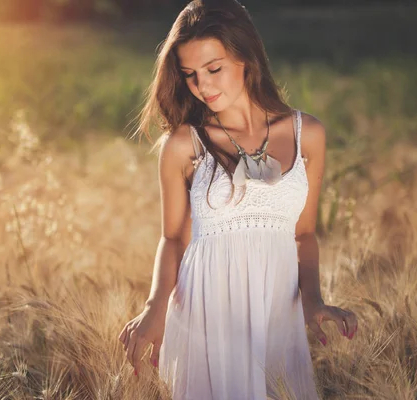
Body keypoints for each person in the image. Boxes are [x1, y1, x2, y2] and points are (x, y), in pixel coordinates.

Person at [118, 0, 358, 398]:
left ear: (246, 57)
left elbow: (304, 235)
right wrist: (155, 307)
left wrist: (313, 302)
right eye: (190, 75)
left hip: (276, 313)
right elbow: (174, 238)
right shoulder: (183, 144)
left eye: (214, 69)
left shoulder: (307, 134)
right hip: (207, 315)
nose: (203, 86)